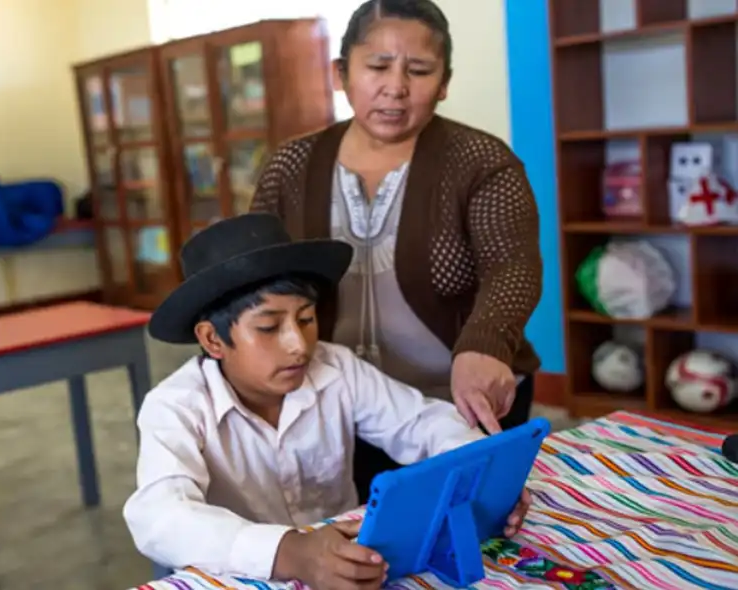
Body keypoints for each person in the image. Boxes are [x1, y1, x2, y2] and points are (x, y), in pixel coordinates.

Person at [123, 214, 530, 589]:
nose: (298, 345)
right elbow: (161, 517)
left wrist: (486, 471)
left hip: (351, 565)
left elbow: (421, 422)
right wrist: (290, 552)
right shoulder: (175, 407)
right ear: (213, 339)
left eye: (305, 319)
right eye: (268, 327)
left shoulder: (335, 369)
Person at [249, 0, 543, 502]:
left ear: (444, 82)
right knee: (360, 549)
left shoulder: (481, 161)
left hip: (459, 405)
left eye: (420, 70)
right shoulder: (292, 166)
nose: (396, 87)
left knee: (475, 546)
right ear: (342, 72)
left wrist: (487, 343)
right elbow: (254, 271)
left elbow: (512, 266)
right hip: (337, 406)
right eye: (377, 66)